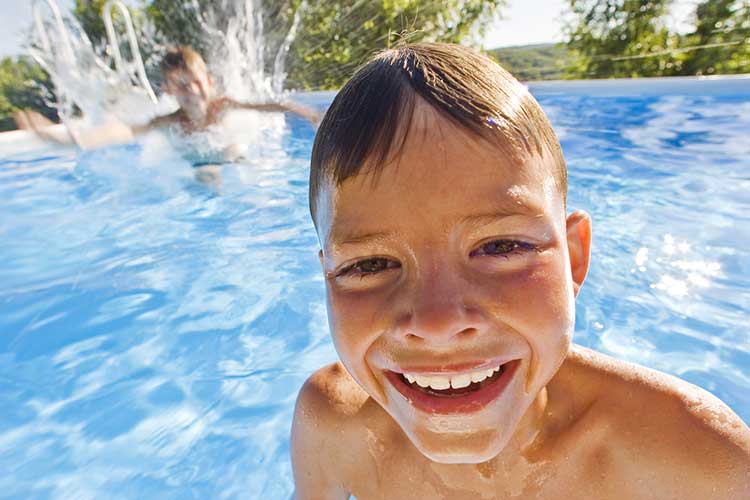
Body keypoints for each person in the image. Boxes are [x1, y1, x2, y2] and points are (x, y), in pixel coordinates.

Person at [291, 42, 750, 499]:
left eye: (500, 246)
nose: (439, 324)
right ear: (327, 277)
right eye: (369, 264)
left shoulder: (695, 459)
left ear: (573, 259)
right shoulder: (333, 427)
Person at [14, 45, 319, 151]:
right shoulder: (172, 120)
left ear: (209, 82)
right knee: (206, 182)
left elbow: (268, 106)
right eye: (181, 86)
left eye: (196, 82)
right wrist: (75, 140)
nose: (191, 90)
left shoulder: (222, 104)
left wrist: (309, 114)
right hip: (199, 162)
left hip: (228, 151)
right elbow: (127, 131)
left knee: (233, 151)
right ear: (169, 91)